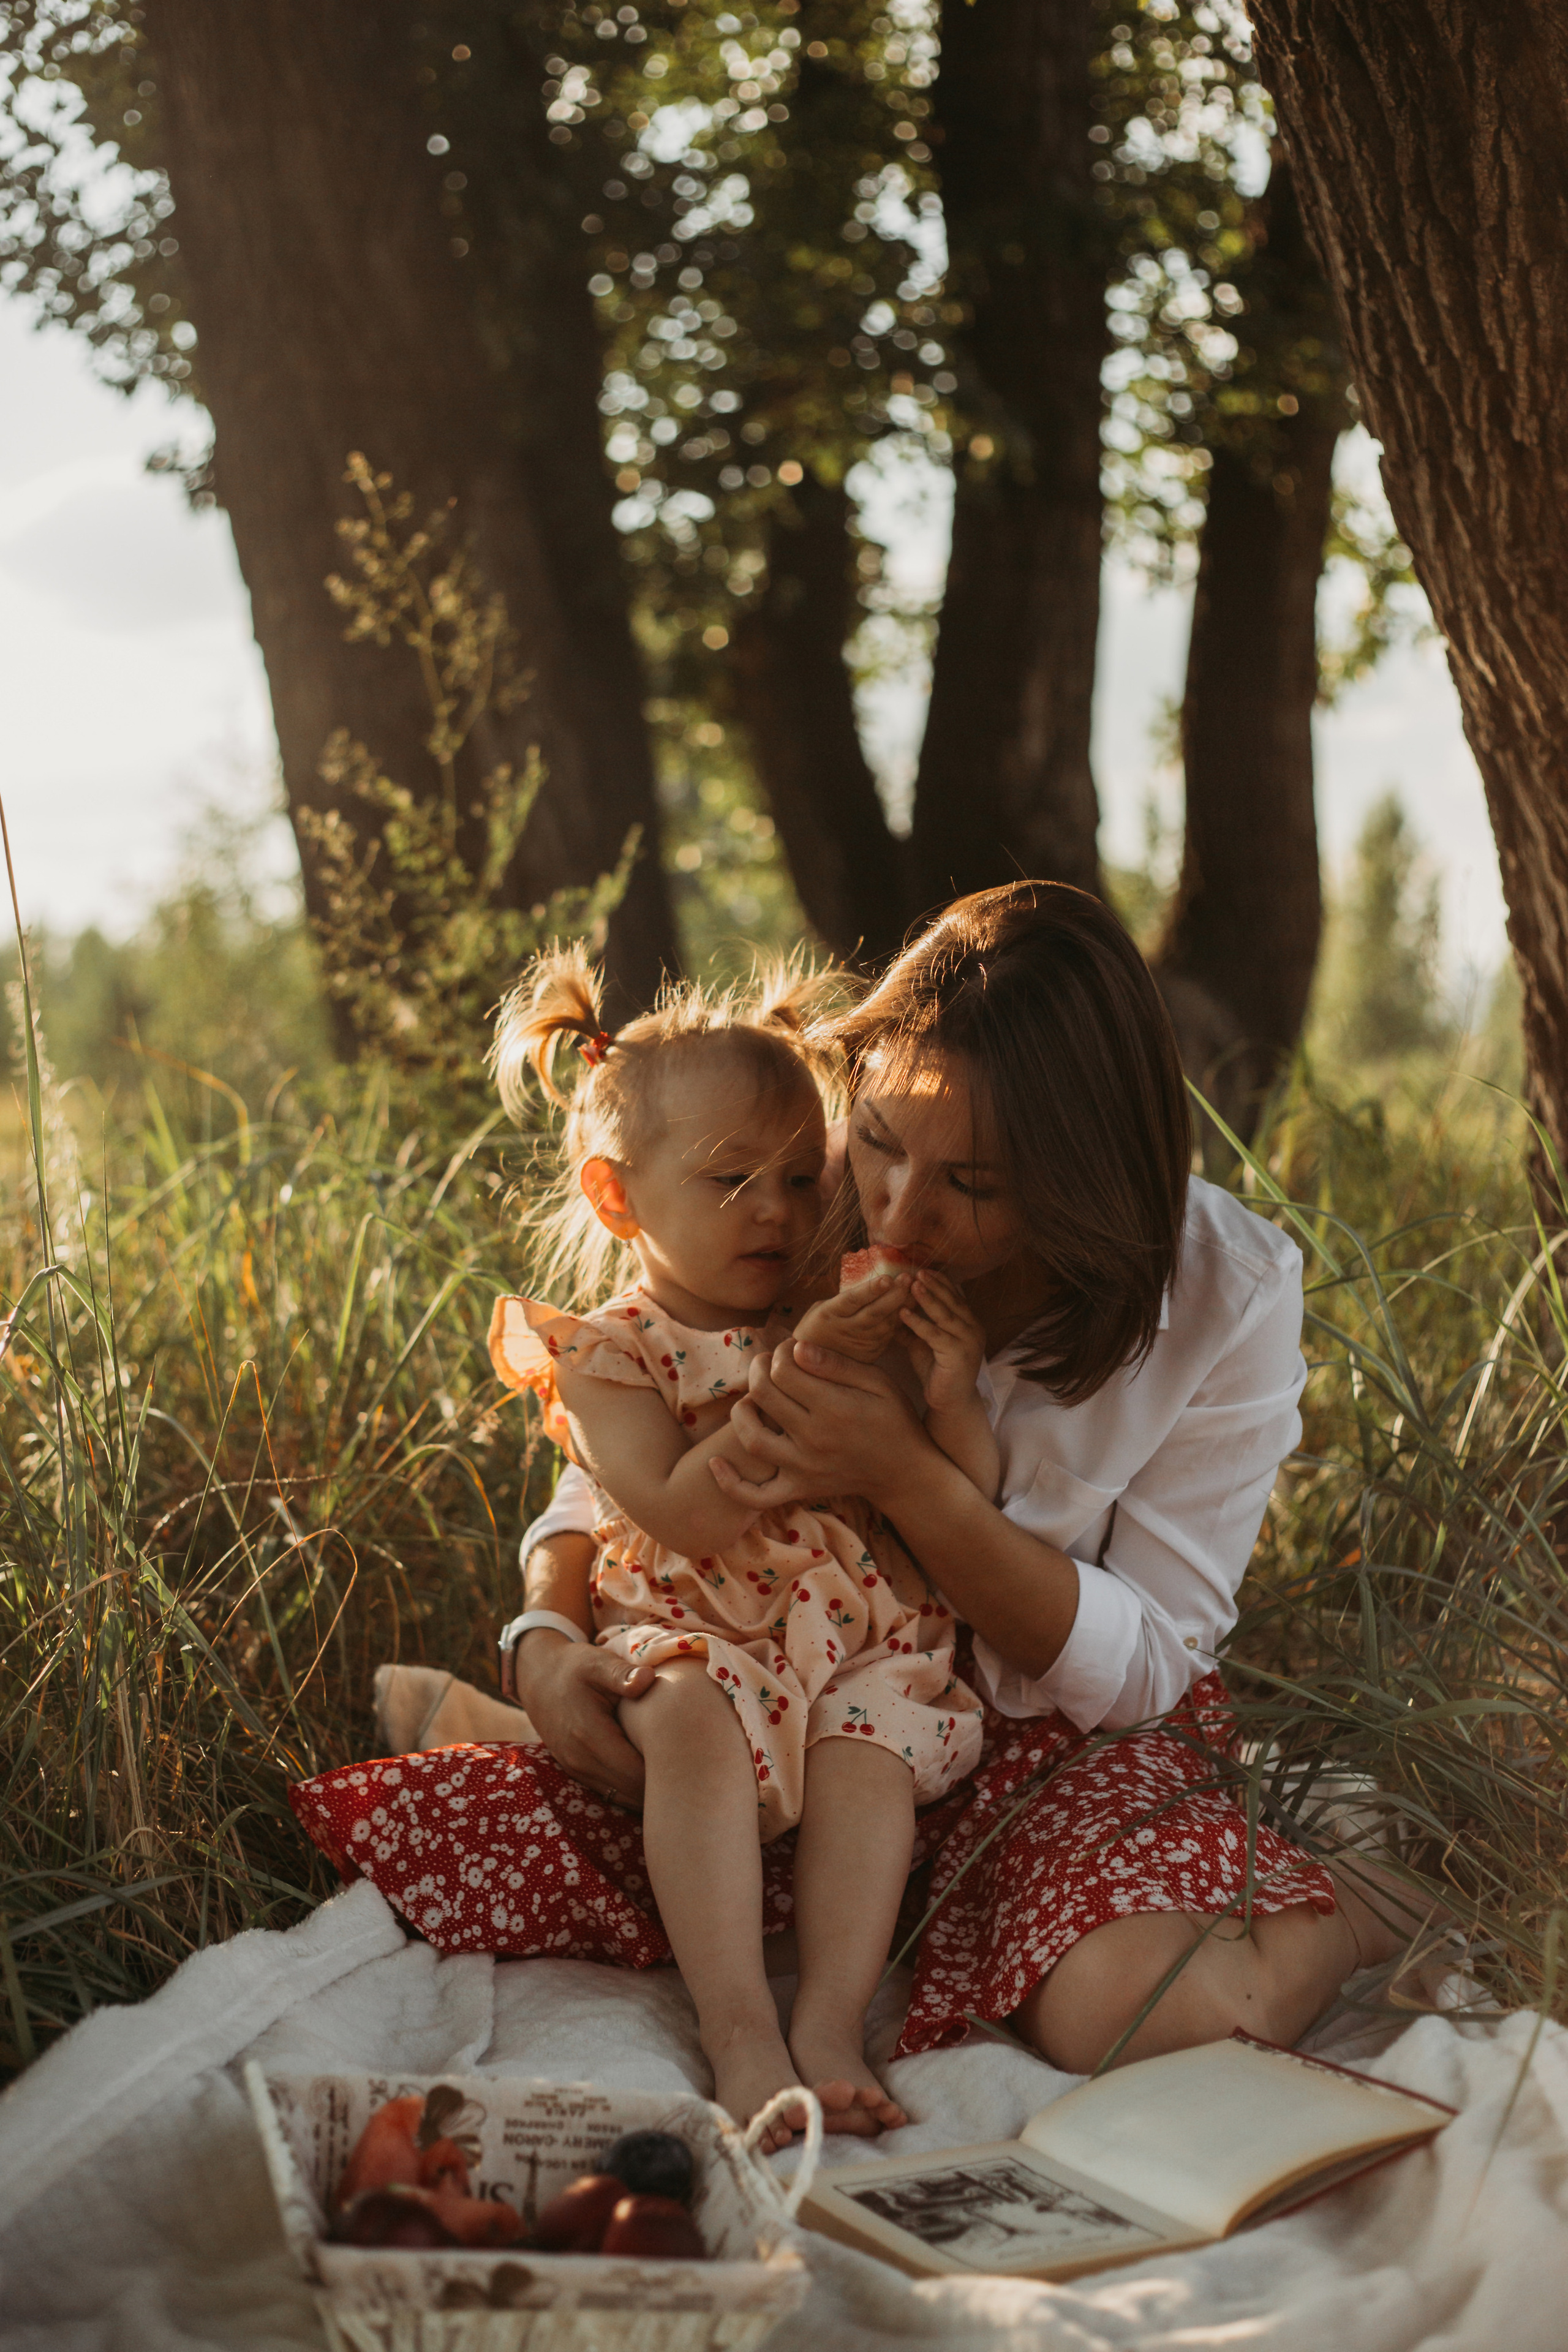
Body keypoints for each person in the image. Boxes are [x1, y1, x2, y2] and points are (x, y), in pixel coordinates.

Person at [294, 882, 1421, 2091]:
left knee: (1135, 2013)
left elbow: (1147, 1660)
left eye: (973, 1187)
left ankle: (1358, 1899)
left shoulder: (1221, 1295)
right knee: (516, 1856)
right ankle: (522, 1725)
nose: (895, 1210)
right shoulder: (785, 1183)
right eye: (879, 1143)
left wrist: (901, 1472)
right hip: (790, 1672)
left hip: (1052, 1731)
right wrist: (545, 1629)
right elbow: (630, 1448)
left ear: (1085, 1180)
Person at [306, 947, 988, 2141]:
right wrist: (808, 1365)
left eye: (794, 1175)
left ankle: (828, 2019)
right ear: (619, 1196)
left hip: (850, 1623)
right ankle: (738, 2032)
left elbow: (955, 1502)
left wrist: (952, 1394)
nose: (773, 1210)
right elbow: (680, 1511)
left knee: (872, 1741)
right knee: (681, 1713)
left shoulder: (822, 1305)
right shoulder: (611, 1354)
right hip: (700, 1619)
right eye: (730, 1180)